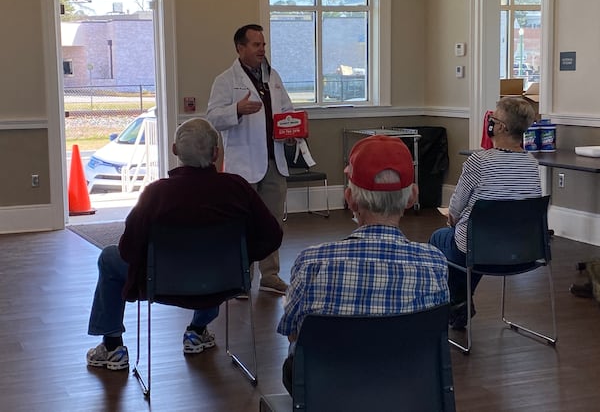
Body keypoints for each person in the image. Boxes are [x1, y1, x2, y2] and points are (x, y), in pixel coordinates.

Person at [86, 117, 283, 371]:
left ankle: (112, 347)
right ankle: (197, 330)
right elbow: (272, 235)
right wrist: (241, 261)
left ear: (175, 151)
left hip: (163, 284)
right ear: (216, 153)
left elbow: (128, 249)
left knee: (109, 257)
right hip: (224, 280)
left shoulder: (155, 194)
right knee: (210, 258)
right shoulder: (238, 188)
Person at [277, 135, 450, 394]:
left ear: (350, 198)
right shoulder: (434, 263)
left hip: (328, 388)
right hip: (406, 388)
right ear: (412, 197)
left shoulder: (312, 262)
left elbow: (292, 332)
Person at [429, 96, 541, 330]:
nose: (489, 121)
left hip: (481, 254)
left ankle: (457, 302)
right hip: (524, 253)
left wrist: (454, 219)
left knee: (441, 239)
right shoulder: (531, 163)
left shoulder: (479, 161)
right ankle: (459, 302)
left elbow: (455, 210)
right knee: (477, 240)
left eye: (492, 117)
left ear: (499, 127)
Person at [206, 23, 294, 295]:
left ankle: (270, 275)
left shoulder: (273, 77)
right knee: (241, 223)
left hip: (273, 161)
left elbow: (287, 109)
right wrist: (238, 109)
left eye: (263, 44)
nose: (261, 49)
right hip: (243, 166)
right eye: (256, 45)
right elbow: (213, 118)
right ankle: (240, 279)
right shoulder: (225, 80)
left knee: (272, 222)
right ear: (240, 48)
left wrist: (292, 129)